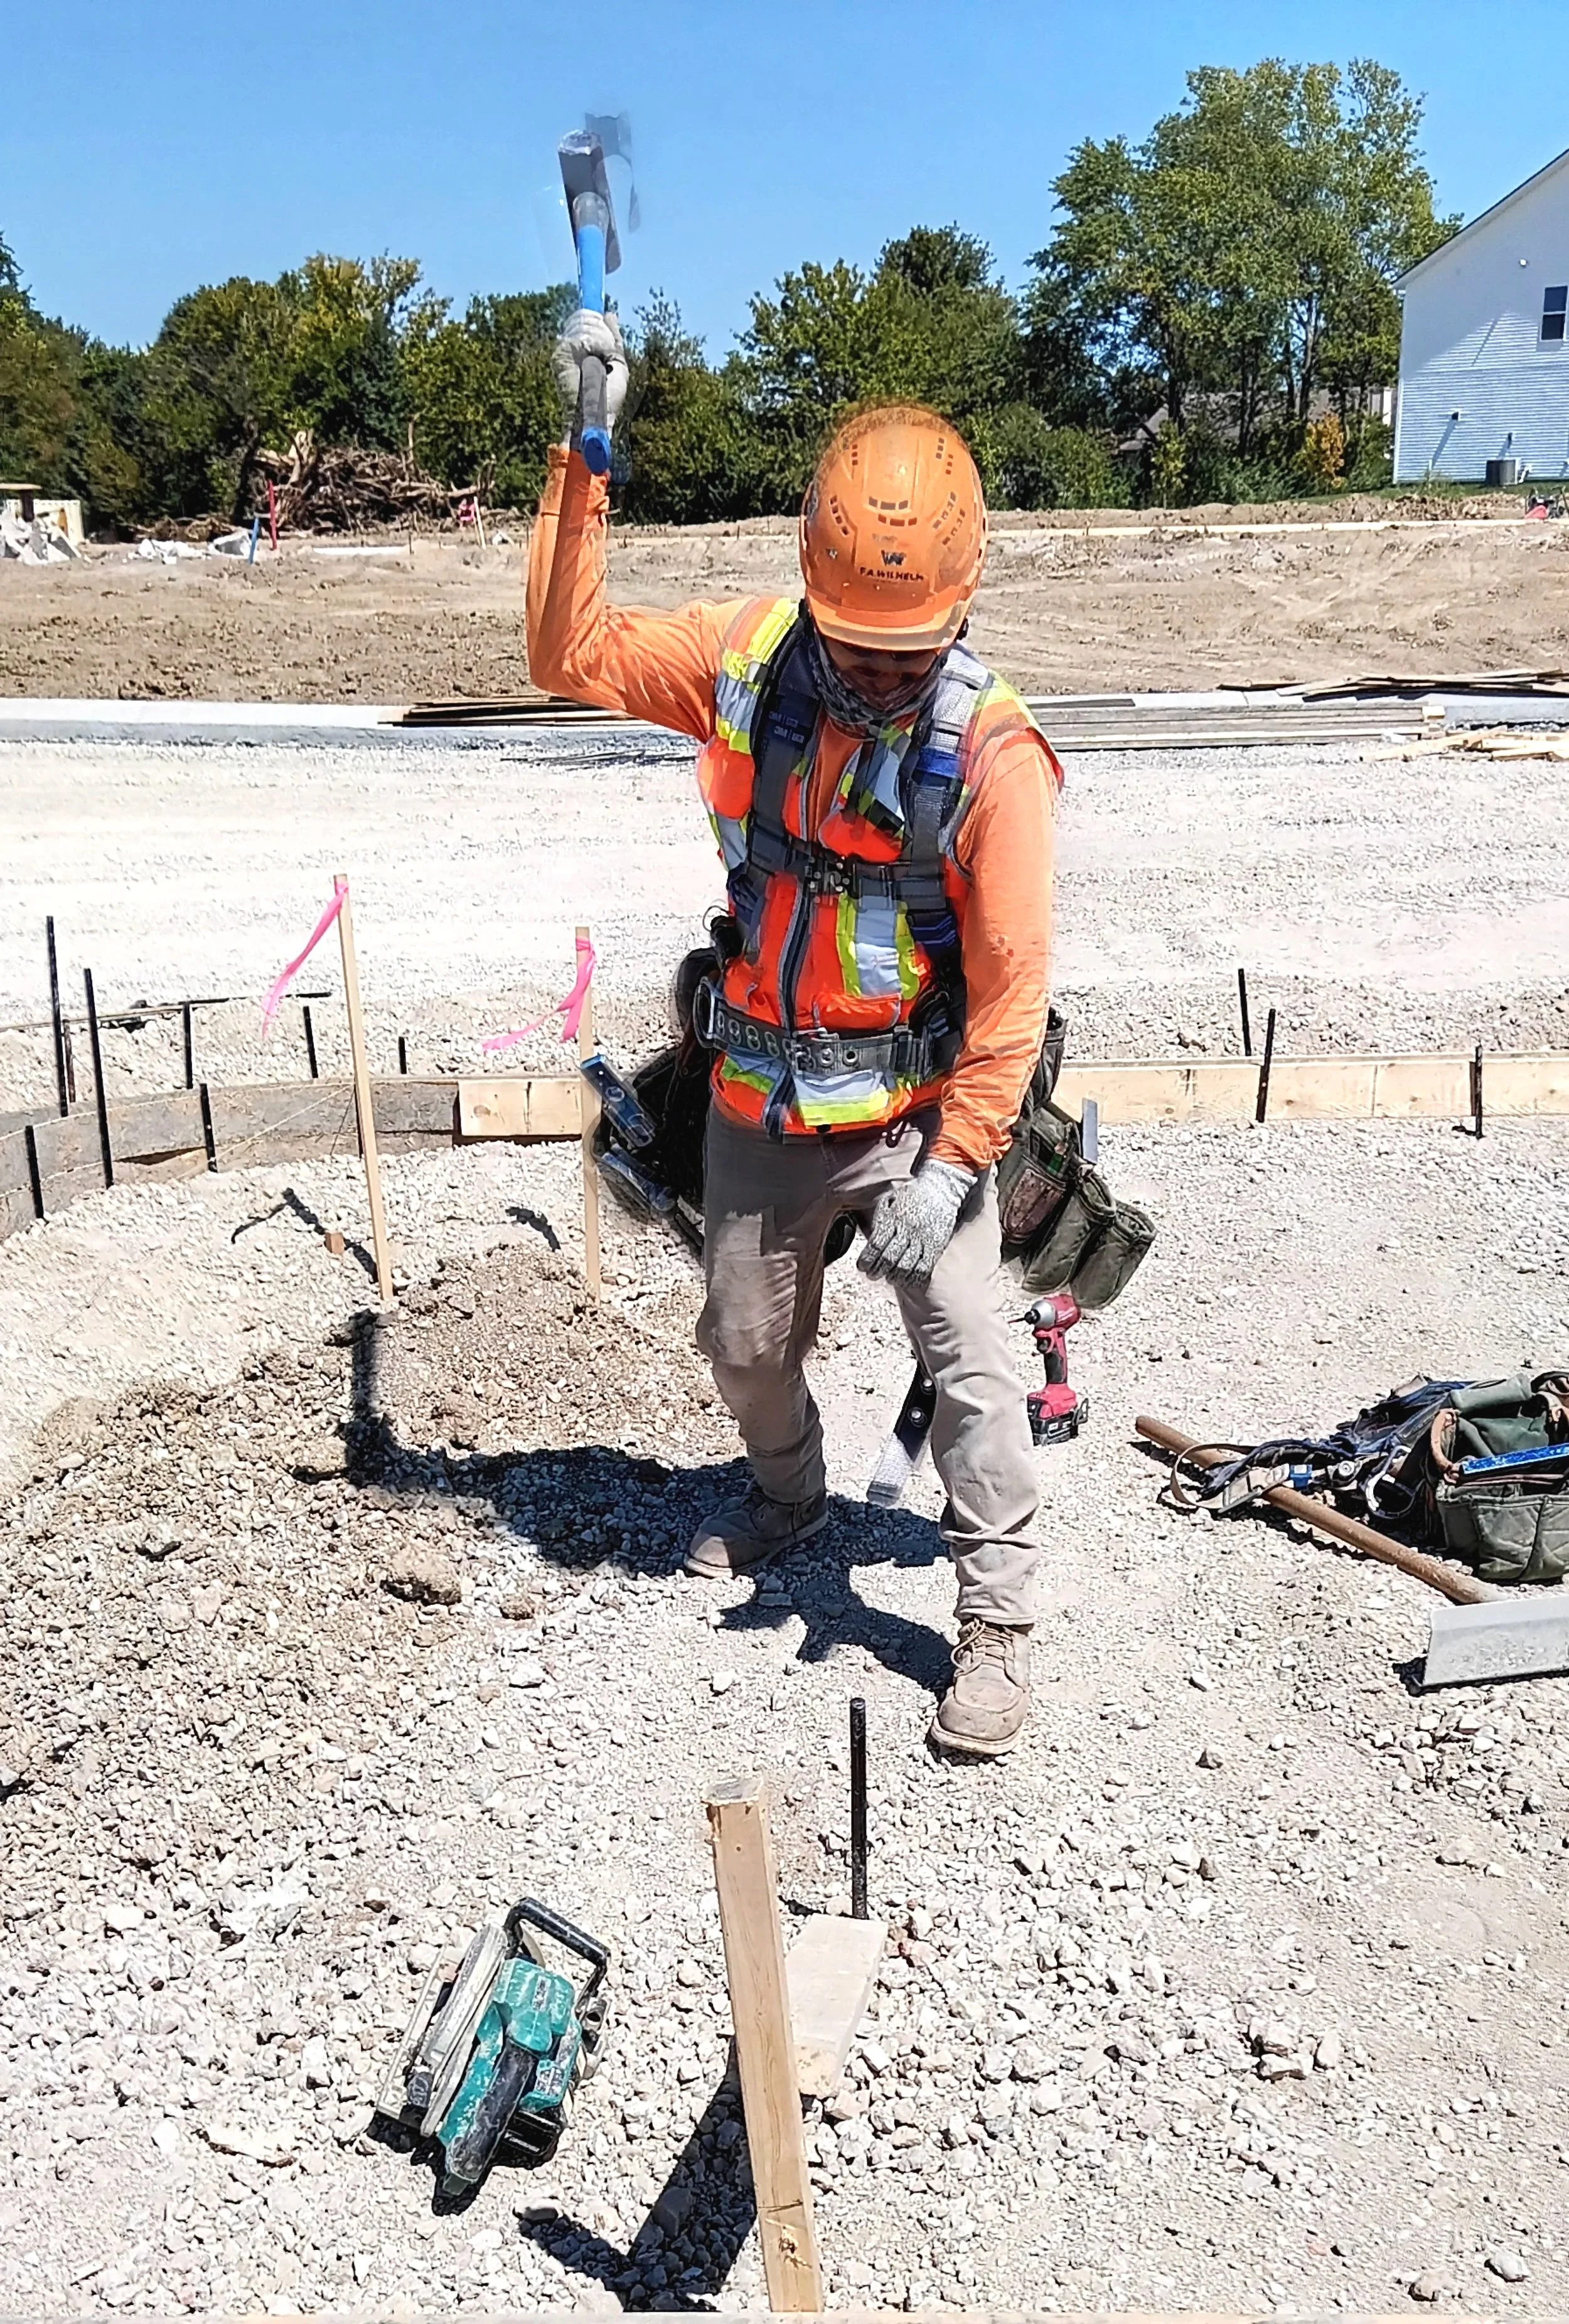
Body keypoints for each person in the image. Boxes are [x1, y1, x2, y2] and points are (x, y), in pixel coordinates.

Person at [527, 310, 1060, 1756]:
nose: (884, 677)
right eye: (859, 646)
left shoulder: (993, 758)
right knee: (742, 1341)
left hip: (911, 1118)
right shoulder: (747, 661)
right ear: (812, 587)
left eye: (913, 649)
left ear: (959, 605)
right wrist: (586, 454)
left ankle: (994, 1629)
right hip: (763, 1105)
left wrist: (951, 1168)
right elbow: (564, 649)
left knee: (970, 1361)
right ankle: (788, 1493)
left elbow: (1011, 993)